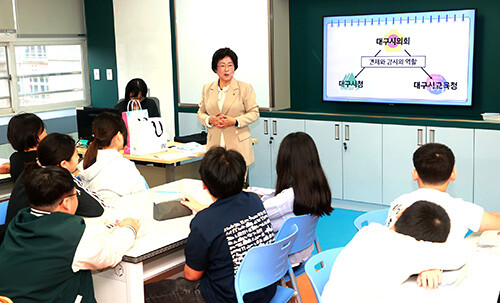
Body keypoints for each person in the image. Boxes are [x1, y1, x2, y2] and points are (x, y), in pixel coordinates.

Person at [144, 147, 275, 303]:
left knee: (145, 293)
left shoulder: (204, 222)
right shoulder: (254, 200)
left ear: (204, 185)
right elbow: (229, 212)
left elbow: (191, 275)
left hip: (229, 297)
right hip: (265, 288)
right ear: (242, 177)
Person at [0, 165, 140, 302]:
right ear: (66, 202)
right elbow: (110, 254)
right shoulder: (71, 234)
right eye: (76, 194)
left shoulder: (18, 222)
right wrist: (129, 228)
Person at [321, 201, 471, 303]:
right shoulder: (410, 250)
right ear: (428, 243)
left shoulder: (370, 229)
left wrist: (431, 262)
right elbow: (460, 254)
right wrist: (434, 263)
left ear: (400, 214)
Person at [386, 143, 500, 241]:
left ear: (414, 174)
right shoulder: (462, 209)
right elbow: (495, 223)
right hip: (445, 265)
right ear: (453, 174)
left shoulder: (399, 202)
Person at [250, 132, 333, 264]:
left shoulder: (287, 198)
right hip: (303, 251)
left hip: (281, 260)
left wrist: (251, 196)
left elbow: (257, 211)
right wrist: (255, 191)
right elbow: (279, 197)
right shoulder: (314, 187)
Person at [4, 133, 104, 232]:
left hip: (15, 235)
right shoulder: (53, 181)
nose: (78, 158)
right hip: (32, 236)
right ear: (64, 164)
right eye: (76, 155)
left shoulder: (33, 170)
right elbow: (95, 209)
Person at [197, 47, 259, 167]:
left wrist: (235, 121)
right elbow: (201, 112)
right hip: (214, 145)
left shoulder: (245, 88)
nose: (227, 69)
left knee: (236, 183)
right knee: (214, 182)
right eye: (222, 65)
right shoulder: (207, 88)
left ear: (234, 67)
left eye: (230, 65)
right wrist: (210, 120)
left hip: (238, 145)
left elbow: (254, 113)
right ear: (215, 68)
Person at [78, 112, 147, 200]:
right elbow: (143, 199)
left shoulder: (88, 162)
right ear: (119, 136)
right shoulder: (126, 166)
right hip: (121, 212)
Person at [6, 113, 47, 181]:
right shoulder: (42, 157)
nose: (45, 130)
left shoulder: (14, 158)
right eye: (42, 129)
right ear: (32, 134)